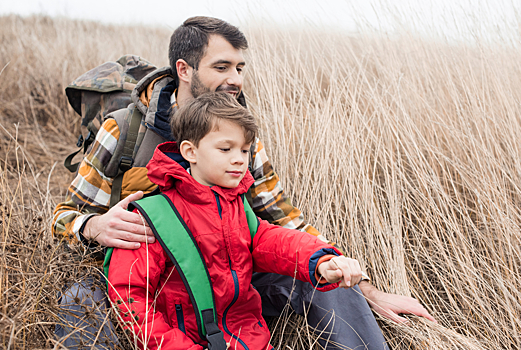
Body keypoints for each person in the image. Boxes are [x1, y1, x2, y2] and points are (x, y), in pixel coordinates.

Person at [52, 16, 436, 350]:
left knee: (323, 280)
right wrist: (93, 225)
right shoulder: (124, 130)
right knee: (78, 303)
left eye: (240, 67)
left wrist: (358, 284)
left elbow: (285, 222)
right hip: (145, 274)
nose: (235, 80)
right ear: (184, 69)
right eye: (222, 67)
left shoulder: (242, 138)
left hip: (224, 272)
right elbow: (64, 215)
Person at [107, 91, 363, 350]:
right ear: (190, 151)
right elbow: (127, 297)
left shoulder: (235, 204)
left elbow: (268, 240)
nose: (239, 159)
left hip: (251, 340)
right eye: (225, 148)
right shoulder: (153, 218)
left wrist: (320, 260)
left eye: (244, 149)